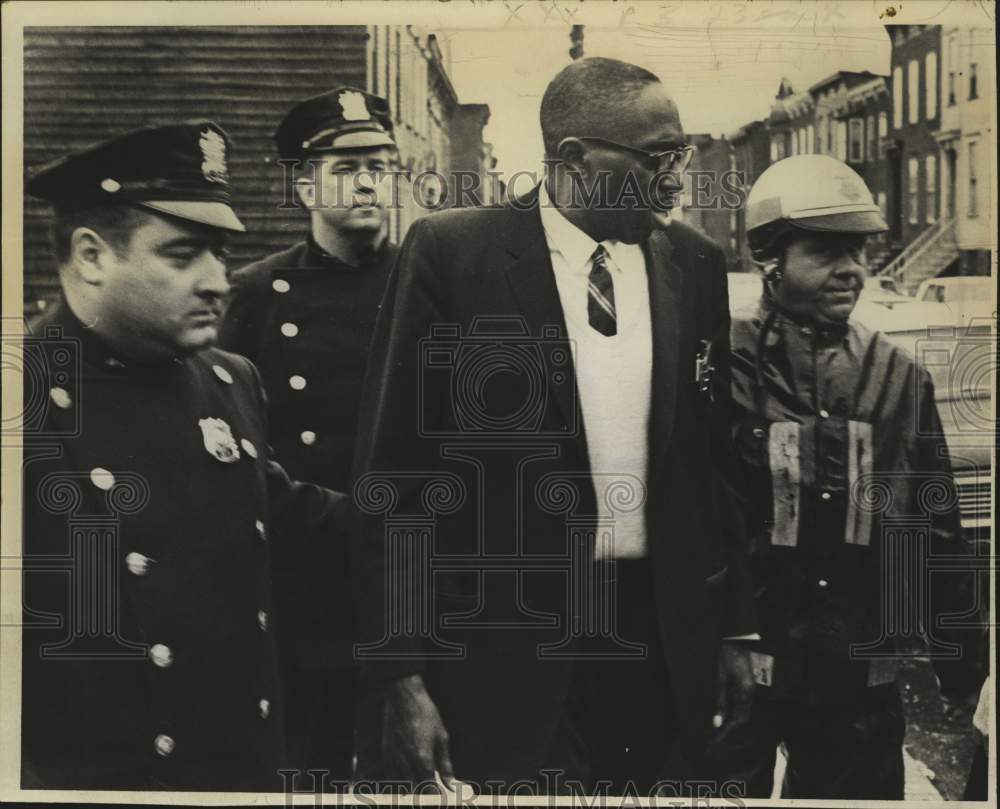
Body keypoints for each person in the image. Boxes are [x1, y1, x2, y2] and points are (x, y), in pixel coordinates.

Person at [350, 57, 756, 796]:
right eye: (658, 158)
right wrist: (400, 675)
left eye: (684, 154)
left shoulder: (693, 266)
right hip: (507, 651)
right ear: (574, 159)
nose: (677, 179)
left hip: (660, 646)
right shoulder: (454, 254)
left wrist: (736, 630)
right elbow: (396, 478)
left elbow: (713, 465)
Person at [20, 122, 346, 791]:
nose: (216, 281)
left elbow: (286, 517)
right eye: (182, 254)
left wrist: (448, 516)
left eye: (219, 255)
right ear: (90, 255)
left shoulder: (229, 380)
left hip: (242, 771)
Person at [713, 154, 985, 799]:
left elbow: (935, 524)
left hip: (857, 677)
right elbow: (692, 516)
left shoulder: (898, 376)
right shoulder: (718, 364)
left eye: (858, 251)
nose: (851, 270)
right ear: (770, 261)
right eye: (825, 252)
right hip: (737, 674)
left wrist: (962, 653)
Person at [218, 87, 398, 783]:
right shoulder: (258, 294)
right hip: (306, 582)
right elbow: (232, 442)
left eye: (382, 165)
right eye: (347, 166)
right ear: (303, 184)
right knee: (307, 770)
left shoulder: (430, 280)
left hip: (411, 574)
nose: (367, 181)